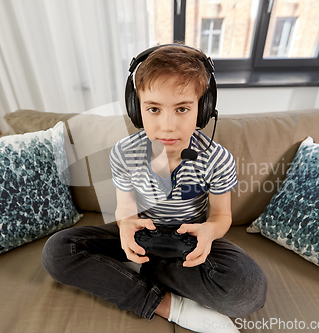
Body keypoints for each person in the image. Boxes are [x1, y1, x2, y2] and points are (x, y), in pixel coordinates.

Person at [41, 44, 267, 333]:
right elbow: (125, 207)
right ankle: (169, 305)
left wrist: (209, 232)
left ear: (203, 108)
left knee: (248, 291)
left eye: (182, 108)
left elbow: (222, 216)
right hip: (142, 233)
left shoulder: (217, 158)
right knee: (57, 252)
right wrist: (125, 226)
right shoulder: (124, 152)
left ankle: (139, 272)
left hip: (189, 240)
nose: (168, 125)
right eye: (154, 109)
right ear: (137, 109)